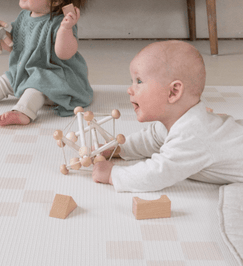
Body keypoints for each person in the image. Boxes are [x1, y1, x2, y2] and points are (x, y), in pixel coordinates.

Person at [92, 40, 243, 192]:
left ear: (173, 92)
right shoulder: (176, 120)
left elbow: (157, 173)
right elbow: (151, 139)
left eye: (139, 81)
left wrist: (113, 174)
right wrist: (118, 149)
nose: (129, 90)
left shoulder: (192, 135)